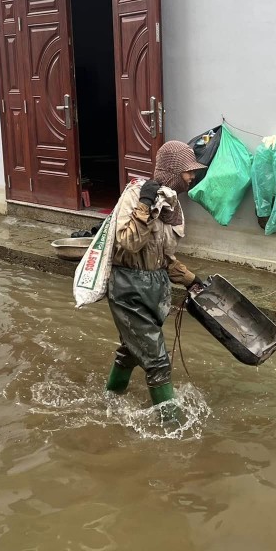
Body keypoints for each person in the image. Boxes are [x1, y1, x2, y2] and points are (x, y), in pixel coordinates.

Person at [105, 141, 207, 416]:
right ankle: (171, 427)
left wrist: (189, 279)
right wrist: (145, 206)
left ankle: (110, 398)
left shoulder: (173, 203)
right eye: (188, 171)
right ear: (173, 170)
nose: (191, 177)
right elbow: (128, 243)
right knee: (157, 361)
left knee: (132, 348)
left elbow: (162, 257)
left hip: (155, 288)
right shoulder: (136, 195)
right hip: (129, 288)